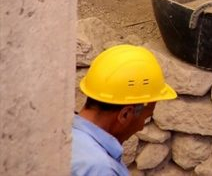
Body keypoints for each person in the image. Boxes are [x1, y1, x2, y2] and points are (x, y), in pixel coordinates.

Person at [71, 45, 177, 175]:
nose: (141, 127)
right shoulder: (101, 169)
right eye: (145, 117)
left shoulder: (62, 134)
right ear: (125, 114)